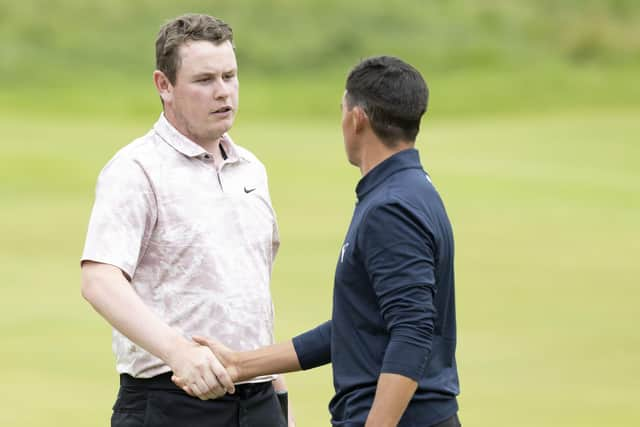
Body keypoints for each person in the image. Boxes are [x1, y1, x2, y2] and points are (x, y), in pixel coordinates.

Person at [176, 55, 461, 427]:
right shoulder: (411, 190)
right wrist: (240, 364)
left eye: (342, 109)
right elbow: (355, 326)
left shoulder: (390, 208)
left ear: (357, 118)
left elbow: (412, 331)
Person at [80, 13, 291, 427]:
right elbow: (99, 280)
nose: (223, 92)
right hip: (171, 401)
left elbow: (251, 293)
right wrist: (180, 353)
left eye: (230, 76)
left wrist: (280, 399)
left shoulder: (251, 170)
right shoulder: (136, 169)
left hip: (258, 400)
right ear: (164, 86)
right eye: (204, 80)